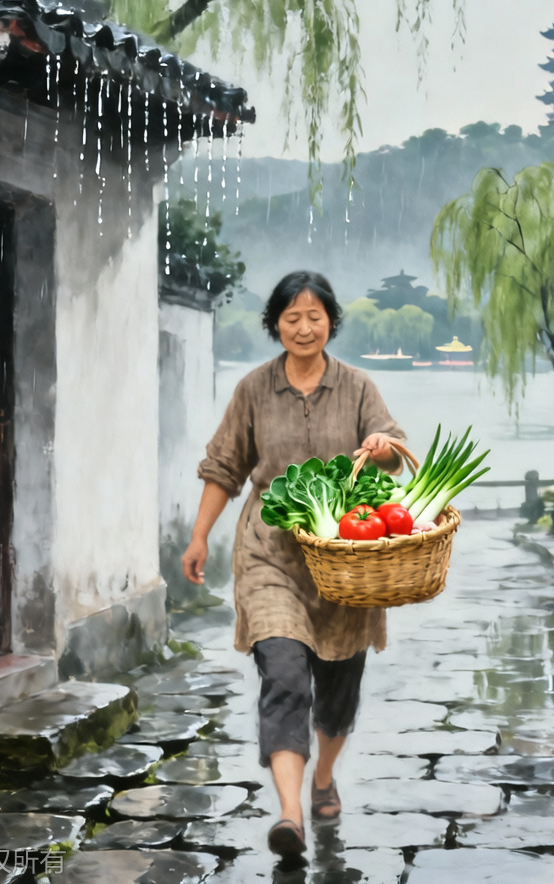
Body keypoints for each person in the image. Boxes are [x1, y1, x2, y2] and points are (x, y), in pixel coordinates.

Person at [181, 270, 406, 860]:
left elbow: (393, 451)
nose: (304, 328)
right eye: (291, 318)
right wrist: (199, 536)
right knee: (282, 675)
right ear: (275, 325)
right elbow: (224, 467)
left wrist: (382, 448)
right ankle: (289, 814)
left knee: (339, 687)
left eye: (315, 317)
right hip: (271, 554)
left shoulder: (357, 387)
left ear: (331, 321)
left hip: (345, 560)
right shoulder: (254, 390)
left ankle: (323, 777)